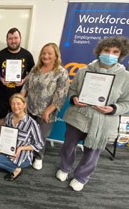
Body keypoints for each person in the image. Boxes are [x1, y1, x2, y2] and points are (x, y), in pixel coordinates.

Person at [56, 36, 129, 191]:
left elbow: (126, 103)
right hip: (78, 117)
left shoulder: (126, 77)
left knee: (92, 153)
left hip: (102, 122)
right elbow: (73, 89)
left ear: (121, 54)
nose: (110, 54)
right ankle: (65, 168)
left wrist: (113, 108)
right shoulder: (83, 71)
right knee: (68, 146)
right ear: (99, 51)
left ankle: (81, 177)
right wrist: (74, 98)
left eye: (115, 51)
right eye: (107, 50)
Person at [21, 43, 70, 170]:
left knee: (41, 136)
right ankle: (28, 153)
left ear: (56, 56)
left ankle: (38, 157)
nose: (45, 56)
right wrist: (20, 100)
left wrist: (48, 111)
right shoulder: (36, 68)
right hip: (30, 108)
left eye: (49, 53)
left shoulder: (61, 73)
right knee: (29, 133)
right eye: (44, 53)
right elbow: (26, 86)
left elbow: (61, 96)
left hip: (46, 112)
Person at [0, 27, 35, 147]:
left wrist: (24, 80)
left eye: (15, 38)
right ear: (7, 40)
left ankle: (15, 137)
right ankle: (0, 135)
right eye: (10, 39)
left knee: (17, 116)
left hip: (19, 94)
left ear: (20, 39)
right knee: (0, 116)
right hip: (2, 92)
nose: (13, 41)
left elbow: (33, 71)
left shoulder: (27, 55)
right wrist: (1, 79)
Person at [0, 93, 43, 181]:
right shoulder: (9, 116)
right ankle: (7, 165)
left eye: (18, 103)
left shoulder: (31, 123)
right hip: (8, 151)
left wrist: (20, 148)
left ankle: (15, 169)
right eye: (13, 103)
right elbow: (5, 134)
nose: (15, 106)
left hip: (22, 157)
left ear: (24, 105)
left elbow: (40, 144)